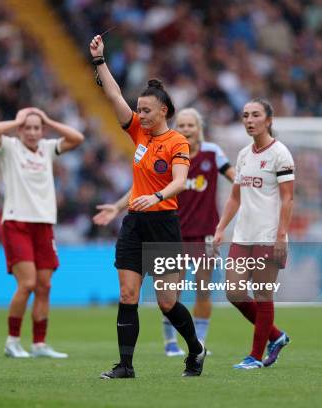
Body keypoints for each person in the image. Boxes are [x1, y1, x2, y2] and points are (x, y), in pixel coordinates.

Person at [89, 34, 205, 379]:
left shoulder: (176, 141)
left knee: (168, 302)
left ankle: (196, 351)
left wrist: (156, 197)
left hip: (164, 225)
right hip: (135, 224)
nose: (139, 115)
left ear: (163, 111)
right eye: (138, 110)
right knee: (128, 293)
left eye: (145, 110)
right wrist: (99, 60)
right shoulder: (139, 132)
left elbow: (180, 181)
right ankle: (125, 365)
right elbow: (112, 94)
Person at [94, 108, 235, 357]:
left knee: (203, 289)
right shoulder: (168, 150)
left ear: (199, 128)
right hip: (172, 230)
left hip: (204, 232)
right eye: (181, 125)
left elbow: (236, 180)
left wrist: (251, 189)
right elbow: (141, 188)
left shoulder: (213, 153)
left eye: (191, 125)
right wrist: (117, 207)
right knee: (172, 293)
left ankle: (199, 341)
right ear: (175, 127)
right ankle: (170, 342)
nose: (186, 129)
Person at [0, 107, 84, 358]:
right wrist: (17, 119)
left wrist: (49, 119)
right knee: (27, 283)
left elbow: (77, 138)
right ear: (19, 130)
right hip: (17, 222)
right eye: (26, 128)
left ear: (42, 131)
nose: (31, 132)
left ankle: (39, 343)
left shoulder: (48, 148)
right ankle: (12, 341)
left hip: (44, 224)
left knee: (44, 285)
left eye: (36, 128)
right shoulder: (9, 147)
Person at [213, 98, 294, 369]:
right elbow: (234, 198)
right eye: (245, 115)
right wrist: (221, 227)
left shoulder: (280, 154)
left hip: (268, 236)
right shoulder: (244, 154)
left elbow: (288, 199)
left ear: (268, 120)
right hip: (243, 235)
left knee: (262, 295)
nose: (249, 120)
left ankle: (255, 357)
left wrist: (281, 235)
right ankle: (276, 336)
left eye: (255, 115)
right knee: (233, 292)